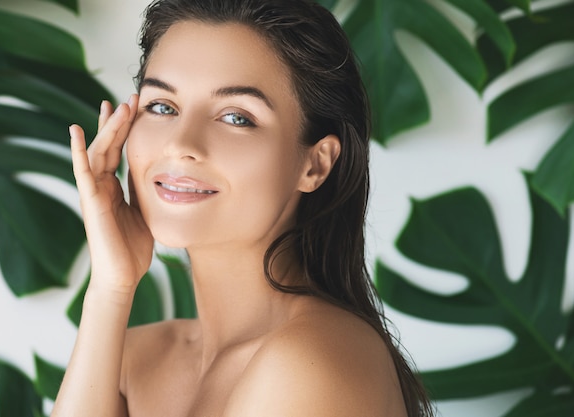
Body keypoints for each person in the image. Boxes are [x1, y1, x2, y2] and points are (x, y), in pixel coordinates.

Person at [52, 0, 434, 415]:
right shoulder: (132, 360)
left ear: (315, 163)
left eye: (236, 117)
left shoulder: (309, 363)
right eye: (162, 107)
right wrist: (111, 287)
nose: (181, 144)